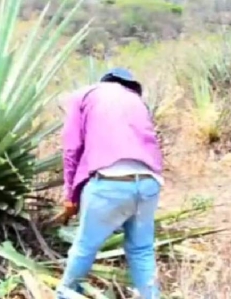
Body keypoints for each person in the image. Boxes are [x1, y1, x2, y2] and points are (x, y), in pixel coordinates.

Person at [52, 67, 164, 299]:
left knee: (84, 248)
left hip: (110, 184)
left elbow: (72, 148)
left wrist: (70, 196)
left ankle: (66, 295)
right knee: (142, 250)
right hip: (149, 183)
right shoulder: (136, 101)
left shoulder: (84, 95)